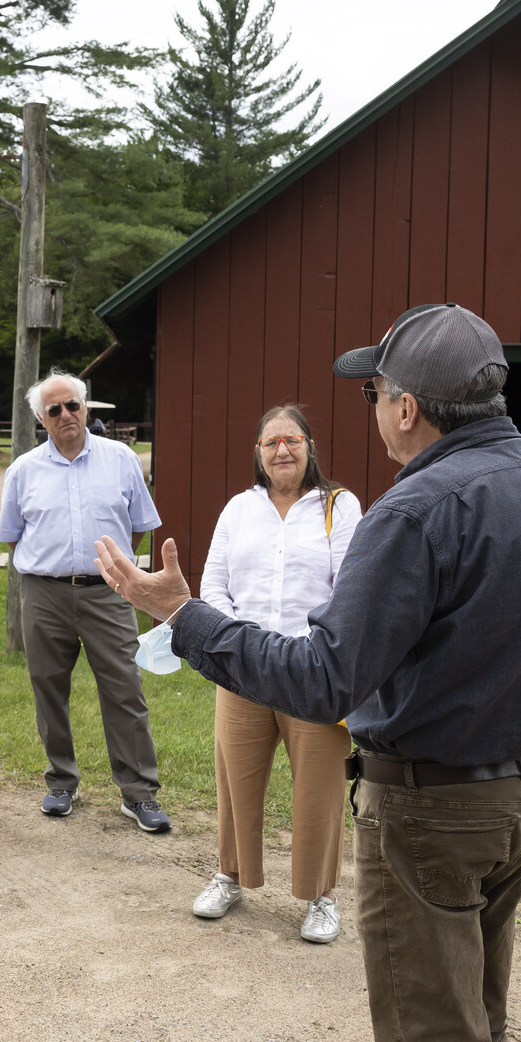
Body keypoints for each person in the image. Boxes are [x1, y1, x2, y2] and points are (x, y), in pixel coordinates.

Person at [97, 303, 521, 1042]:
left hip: (430, 812)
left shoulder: (413, 510)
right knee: (481, 1036)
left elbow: (323, 679)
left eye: (374, 390)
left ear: (406, 406)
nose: (371, 407)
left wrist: (182, 616)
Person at [191, 404, 362, 944]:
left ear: (310, 445)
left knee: (320, 786)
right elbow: (213, 583)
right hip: (244, 669)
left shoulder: (339, 506)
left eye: (292, 440)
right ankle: (230, 875)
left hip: (313, 671)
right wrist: (237, 641)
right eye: (271, 443)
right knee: (235, 778)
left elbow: (349, 589)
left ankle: (320, 897)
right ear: (258, 454)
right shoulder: (239, 509)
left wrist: (315, 647)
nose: (282, 450)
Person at [0, 368, 170, 833]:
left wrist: (113, 570)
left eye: (73, 405)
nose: (66, 414)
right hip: (43, 595)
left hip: (109, 592)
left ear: (86, 407)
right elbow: (14, 538)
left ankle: (138, 794)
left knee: (124, 689)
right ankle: (61, 782)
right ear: (41, 418)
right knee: (48, 688)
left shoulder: (121, 460)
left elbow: (137, 526)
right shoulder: (23, 471)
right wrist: (50, 567)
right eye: (54, 409)